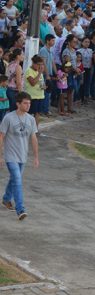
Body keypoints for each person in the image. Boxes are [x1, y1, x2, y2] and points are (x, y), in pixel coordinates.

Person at [0, 92, 39, 220]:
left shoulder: (31, 119)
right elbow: (1, 136)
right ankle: (20, 209)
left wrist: (36, 157)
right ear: (18, 104)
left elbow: (33, 138)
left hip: (23, 155)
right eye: (25, 103)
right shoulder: (8, 118)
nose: (28, 105)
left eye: (29, 103)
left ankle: (6, 199)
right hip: (10, 156)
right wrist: (0, 155)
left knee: (14, 179)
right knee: (17, 180)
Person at [24, 55, 46, 127]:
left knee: (38, 113)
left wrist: (44, 87)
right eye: (38, 64)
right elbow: (32, 83)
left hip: (40, 95)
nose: (40, 66)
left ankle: (35, 129)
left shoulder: (39, 72)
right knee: (29, 113)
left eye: (41, 64)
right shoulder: (29, 71)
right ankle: (28, 128)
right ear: (33, 63)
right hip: (32, 96)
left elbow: (41, 83)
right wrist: (39, 73)